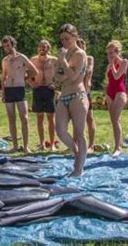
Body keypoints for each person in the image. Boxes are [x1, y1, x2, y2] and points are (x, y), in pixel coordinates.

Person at [54, 24, 89, 177]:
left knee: (79, 133)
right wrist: (64, 66)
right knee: (60, 130)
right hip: (64, 95)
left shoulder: (80, 54)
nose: (65, 42)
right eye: (62, 39)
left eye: (67, 38)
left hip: (77, 96)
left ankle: (79, 168)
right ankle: (77, 152)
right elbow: (56, 77)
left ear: (75, 37)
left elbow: (74, 77)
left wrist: (63, 62)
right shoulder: (65, 54)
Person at [1, 35, 38, 153]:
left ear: (13, 44)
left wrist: (25, 78)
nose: (6, 48)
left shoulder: (22, 57)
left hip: (19, 89)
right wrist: (3, 93)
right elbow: (4, 77)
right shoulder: (5, 60)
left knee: (24, 118)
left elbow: (34, 71)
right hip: (8, 90)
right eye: (4, 46)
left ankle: (26, 146)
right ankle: (15, 146)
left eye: (8, 45)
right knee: (11, 119)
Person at [28, 40, 58, 151]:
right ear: (37, 48)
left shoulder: (54, 60)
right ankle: (42, 143)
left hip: (49, 89)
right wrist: (31, 83)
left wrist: (55, 84)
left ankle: (52, 144)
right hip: (38, 89)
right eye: (40, 46)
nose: (42, 48)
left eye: (45, 47)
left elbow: (62, 73)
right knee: (39, 117)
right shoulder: (33, 60)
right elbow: (26, 74)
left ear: (48, 48)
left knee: (51, 117)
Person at [105, 40, 128, 157]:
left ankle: (117, 147)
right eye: (108, 53)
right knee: (115, 120)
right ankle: (120, 143)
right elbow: (108, 78)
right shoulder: (109, 65)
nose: (109, 55)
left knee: (115, 119)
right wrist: (110, 65)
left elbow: (117, 75)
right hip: (110, 92)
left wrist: (113, 64)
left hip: (120, 92)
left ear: (117, 51)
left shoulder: (124, 61)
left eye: (111, 52)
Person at [76, 38, 96, 153]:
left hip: (86, 91)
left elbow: (88, 71)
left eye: (81, 45)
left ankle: (91, 145)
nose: (80, 47)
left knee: (89, 118)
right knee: (76, 118)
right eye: (77, 45)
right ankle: (76, 144)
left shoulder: (89, 59)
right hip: (75, 92)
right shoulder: (73, 58)